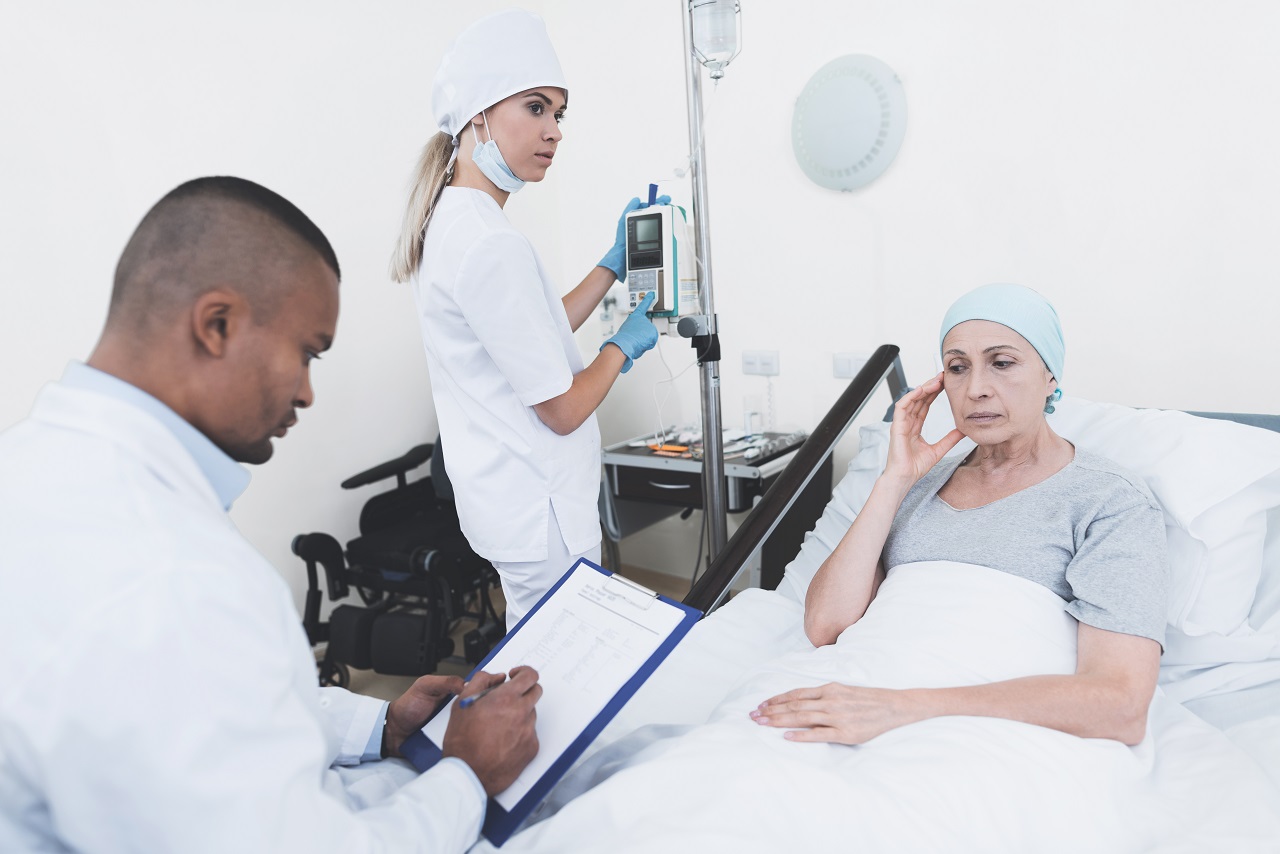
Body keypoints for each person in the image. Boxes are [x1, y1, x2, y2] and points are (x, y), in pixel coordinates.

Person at [0, 176, 541, 853]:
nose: (308, 392)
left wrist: (381, 728)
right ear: (216, 324)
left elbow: (197, 711)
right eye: (308, 352)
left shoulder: (34, 466)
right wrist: (466, 775)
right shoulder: (175, 578)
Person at [753, 282, 1169, 745]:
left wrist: (906, 708)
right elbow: (825, 625)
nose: (975, 390)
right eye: (957, 367)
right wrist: (894, 481)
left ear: (1050, 376)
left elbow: (1120, 707)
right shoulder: (918, 484)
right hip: (858, 688)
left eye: (1003, 363)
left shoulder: (1109, 500)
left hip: (971, 728)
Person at [390, 8, 663, 628]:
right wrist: (622, 347)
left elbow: (531, 337)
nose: (555, 131)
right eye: (536, 108)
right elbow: (562, 410)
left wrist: (610, 265)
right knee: (560, 671)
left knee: (539, 660)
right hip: (540, 510)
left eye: (558, 113)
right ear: (480, 115)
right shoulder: (489, 242)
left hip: (508, 502)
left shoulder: (455, 222)